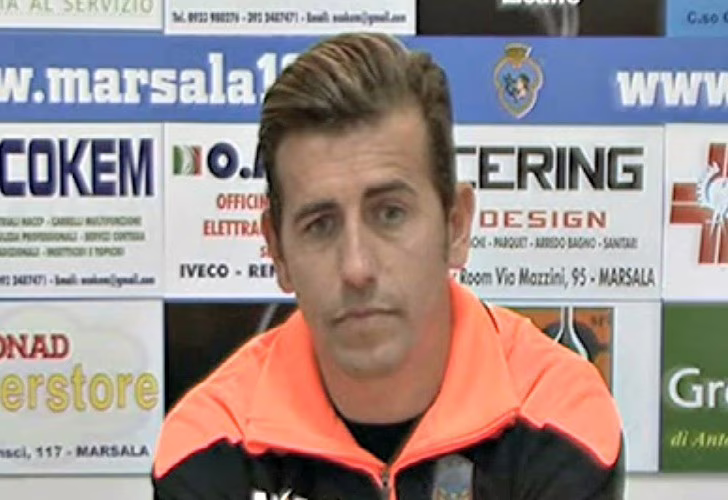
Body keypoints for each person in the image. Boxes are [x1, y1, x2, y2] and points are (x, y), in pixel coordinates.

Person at [152, 32, 624, 499]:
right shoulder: (208, 446)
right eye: (320, 225)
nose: (357, 268)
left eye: (390, 214)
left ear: (456, 226)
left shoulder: (559, 418)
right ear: (278, 252)